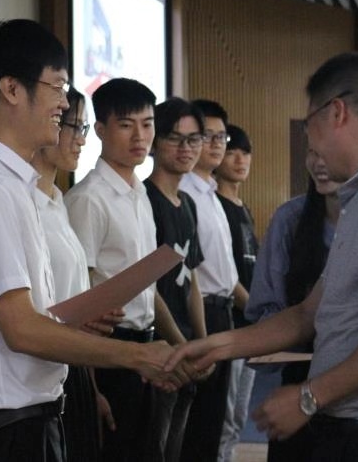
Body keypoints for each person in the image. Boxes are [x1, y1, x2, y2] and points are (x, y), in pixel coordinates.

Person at [167, 52, 358, 462]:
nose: (313, 145)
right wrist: (215, 346)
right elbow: (307, 314)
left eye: (310, 125)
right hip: (352, 430)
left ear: (336, 112)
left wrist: (308, 397)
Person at [0, 20, 185, 462]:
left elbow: (31, 316)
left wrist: (73, 323)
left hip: (27, 421)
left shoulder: (17, 187)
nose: (65, 103)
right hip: (2, 433)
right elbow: (21, 329)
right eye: (57, 87)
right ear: (12, 89)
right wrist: (135, 356)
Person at [65, 78, 193, 462]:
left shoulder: (140, 194)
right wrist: (91, 388)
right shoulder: (88, 199)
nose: (140, 136)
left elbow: (148, 289)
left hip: (144, 348)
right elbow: (78, 301)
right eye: (126, 125)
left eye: (147, 124)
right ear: (100, 130)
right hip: (107, 355)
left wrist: (179, 348)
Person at [31, 87, 119, 461]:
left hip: (73, 369)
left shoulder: (56, 202)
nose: (81, 139)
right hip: (42, 375)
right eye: (74, 127)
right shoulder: (24, 204)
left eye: (84, 128)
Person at [245, 148, 341, 461]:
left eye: (330, 151)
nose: (320, 162)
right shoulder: (291, 218)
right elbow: (266, 311)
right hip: (299, 382)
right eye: (312, 152)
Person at [178, 100, 249, 462]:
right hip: (199, 313)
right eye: (209, 136)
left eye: (223, 137)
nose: (218, 144)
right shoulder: (185, 192)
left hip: (223, 313)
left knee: (216, 421)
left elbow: (226, 273)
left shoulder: (212, 194)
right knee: (197, 426)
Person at [144, 97, 211, 461]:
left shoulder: (187, 203)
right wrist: (182, 347)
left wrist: (202, 345)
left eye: (194, 139)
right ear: (155, 141)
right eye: (175, 137)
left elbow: (192, 279)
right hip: (159, 349)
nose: (186, 148)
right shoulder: (146, 199)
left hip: (185, 348)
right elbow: (147, 287)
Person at [214, 124, 259, 462]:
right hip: (231, 322)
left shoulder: (243, 208)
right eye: (232, 152)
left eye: (245, 153)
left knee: (238, 418)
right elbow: (224, 275)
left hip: (251, 325)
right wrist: (257, 309)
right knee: (224, 419)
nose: (240, 160)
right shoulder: (215, 206)